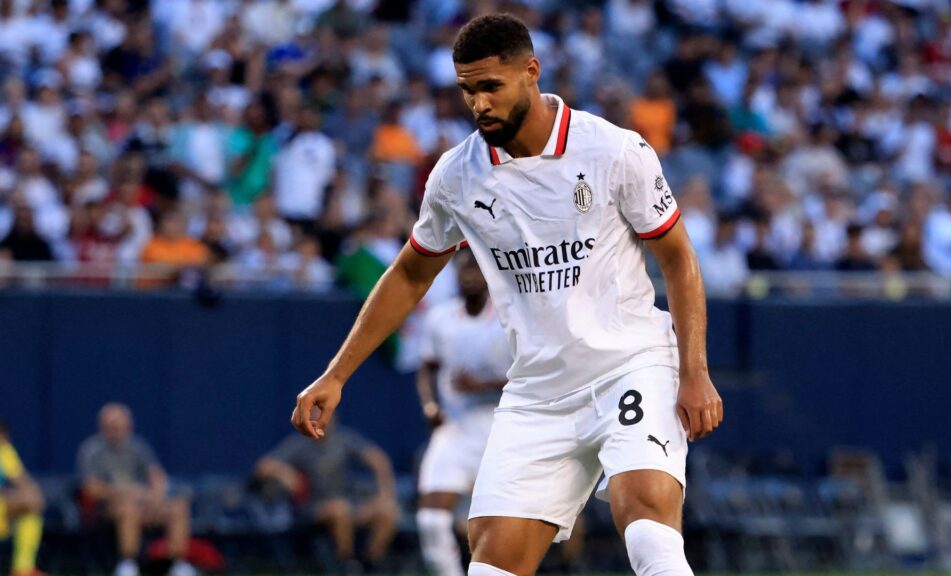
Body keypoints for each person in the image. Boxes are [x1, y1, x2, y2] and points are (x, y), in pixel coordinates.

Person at [291, 14, 723, 576]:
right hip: (538, 391)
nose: (479, 104)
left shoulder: (614, 150)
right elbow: (409, 275)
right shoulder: (456, 175)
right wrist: (336, 373)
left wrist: (695, 371)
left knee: (647, 530)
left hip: (630, 366)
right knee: (491, 566)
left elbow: (678, 259)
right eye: (467, 90)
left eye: (490, 86)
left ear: (531, 73)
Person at [415, 254, 509, 576]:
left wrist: (482, 384)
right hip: (455, 429)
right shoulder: (440, 319)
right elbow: (426, 368)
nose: (467, 275)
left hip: (501, 428)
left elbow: (534, 375)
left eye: (475, 269)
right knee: (430, 520)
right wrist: (430, 405)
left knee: (501, 523)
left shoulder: (510, 318)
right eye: (462, 269)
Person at [254, 425, 399, 570]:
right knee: (340, 509)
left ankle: (369, 565)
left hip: (348, 501)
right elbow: (263, 466)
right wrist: (284, 472)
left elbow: (378, 459)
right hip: (311, 507)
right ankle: (347, 565)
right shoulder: (299, 444)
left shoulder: (343, 439)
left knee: (387, 511)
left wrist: (386, 493)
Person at [76, 404, 196, 576]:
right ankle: (128, 564)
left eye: (119, 426)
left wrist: (155, 496)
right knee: (128, 508)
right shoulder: (91, 450)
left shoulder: (138, 447)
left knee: (178, 507)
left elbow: (156, 476)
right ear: (102, 427)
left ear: (128, 426)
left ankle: (177, 563)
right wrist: (121, 492)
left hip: (144, 504)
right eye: (111, 426)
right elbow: (90, 488)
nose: (115, 431)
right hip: (108, 509)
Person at [0, 420, 45, 576]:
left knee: (31, 507)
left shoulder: (5, 451)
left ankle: (22, 569)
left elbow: (24, 481)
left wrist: (29, 495)